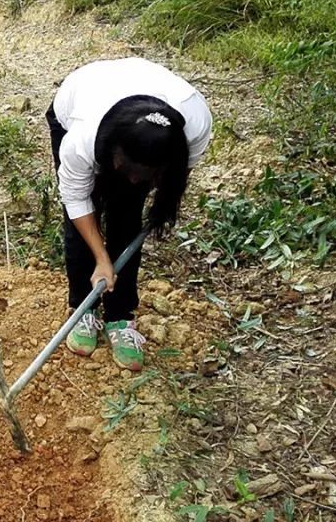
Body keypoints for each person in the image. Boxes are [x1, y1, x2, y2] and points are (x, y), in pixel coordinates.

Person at [47, 57, 212, 372]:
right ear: (113, 153)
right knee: (82, 221)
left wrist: (158, 196)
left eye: (144, 175)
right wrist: (102, 258)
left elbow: (177, 174)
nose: (135, 180)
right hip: (81, 97)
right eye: (128, 170)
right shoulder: (82, 139)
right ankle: (84, 307)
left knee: (127, 217)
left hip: (148, 120)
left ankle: (120, 317)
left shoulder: (193, 127)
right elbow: (76, 198)